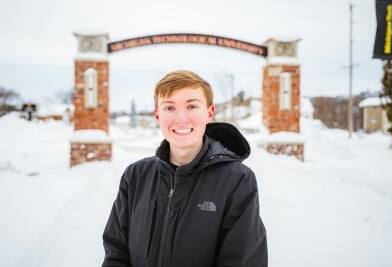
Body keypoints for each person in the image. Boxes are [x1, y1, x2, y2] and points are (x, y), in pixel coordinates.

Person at [102, 70, 268, 267]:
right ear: (157, 114)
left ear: (209, 112)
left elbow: (242, 261)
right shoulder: (136, 176)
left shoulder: (237, 180)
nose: (181, 118)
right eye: (169, 108)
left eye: (192, 106)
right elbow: (116, 253)